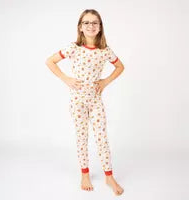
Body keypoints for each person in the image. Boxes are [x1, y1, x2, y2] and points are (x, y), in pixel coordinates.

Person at [46, 9, 125, 196]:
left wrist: (105, 81)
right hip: (78, 100)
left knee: (101, 138)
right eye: (87, 23)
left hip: (95, 100)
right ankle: (85, 174)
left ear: (100, 27)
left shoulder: (105, 51)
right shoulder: (73, 48)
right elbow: (50, 61)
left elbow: (120, 66)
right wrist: (66, 79)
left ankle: (109, 176)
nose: (91, 26)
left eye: (95, 22)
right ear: (80, 27)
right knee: (82, 137)